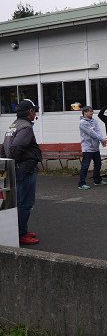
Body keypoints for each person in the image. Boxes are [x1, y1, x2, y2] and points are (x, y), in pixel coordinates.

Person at [0, 99, 42, 245]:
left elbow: (4, 147)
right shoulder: (26, 127)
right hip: (25, 168)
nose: (35, 113)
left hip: (17, 167)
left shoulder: (14, 125)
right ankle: (21, 234)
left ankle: (21, 228)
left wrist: (8, 164)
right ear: (30, 111)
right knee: (26, 202)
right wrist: (15, 162)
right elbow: (17, 147)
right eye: (34, 110)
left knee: (19, 200)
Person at [78, 106, 107, 190]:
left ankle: (97, 180)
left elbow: (98, 131)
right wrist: (102, 139)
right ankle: (81, 183)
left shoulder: (94, 121)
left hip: (95, 147)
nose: (91, 113)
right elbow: (91, 133)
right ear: (85, 112)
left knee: (98, 164)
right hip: (87, 148)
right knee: (85, 166)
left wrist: (102, 141)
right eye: (90, 111)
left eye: (92, 111)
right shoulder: (82, 123)